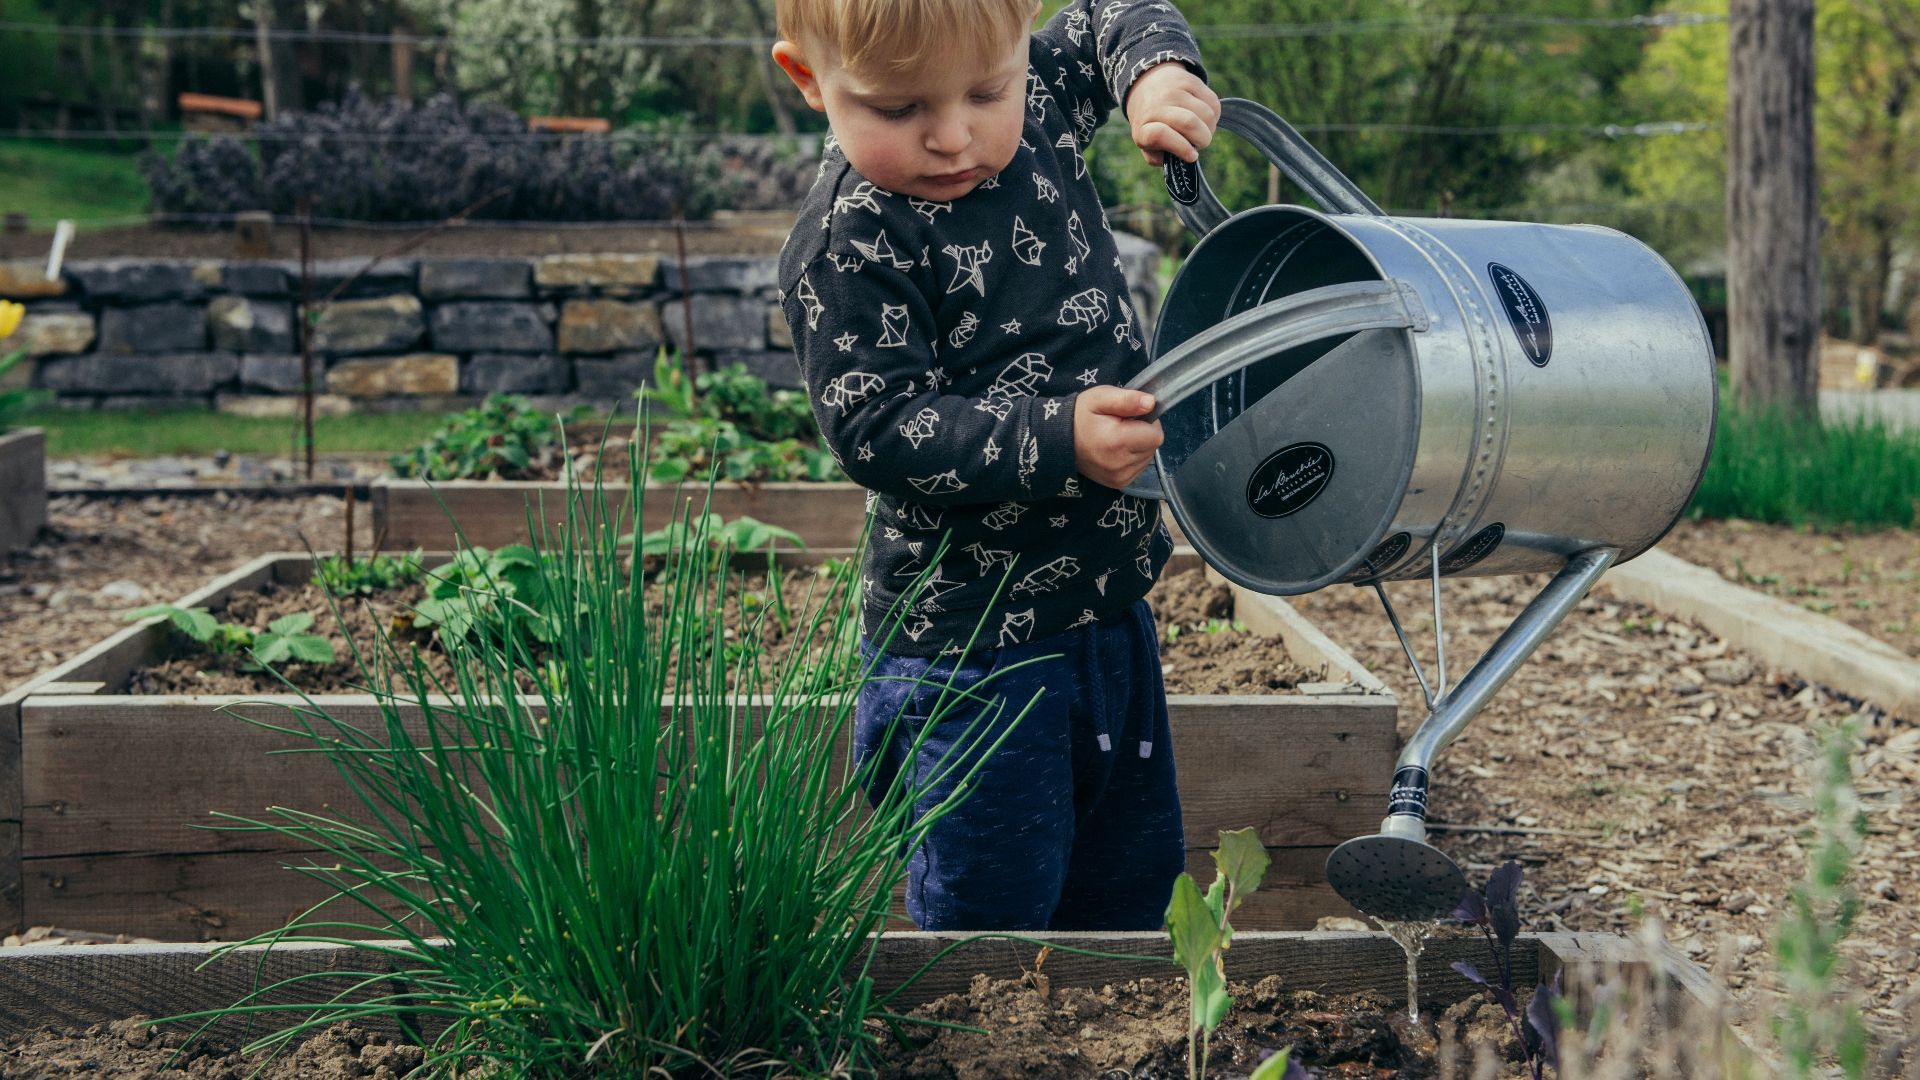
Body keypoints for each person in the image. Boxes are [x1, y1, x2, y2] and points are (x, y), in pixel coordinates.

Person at [772, 0, 1219, 931]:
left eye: (987, 90)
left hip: (1110, 611)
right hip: (972, 651)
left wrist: (1154, 75)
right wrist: (1059, 439)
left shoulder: (1043, 100)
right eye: (898, 110)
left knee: (1129, 891)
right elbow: (879, 425)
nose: (953, 134)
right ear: (810, 81)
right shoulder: (852, 241)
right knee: (993, 916)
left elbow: (1111, 14)